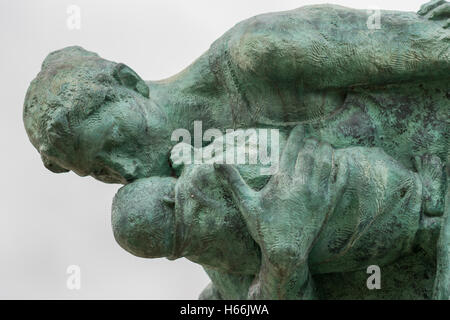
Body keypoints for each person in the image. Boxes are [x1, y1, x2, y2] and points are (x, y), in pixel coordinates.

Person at [111, 126, 443, 299]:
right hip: (398, 216)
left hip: (399, 196)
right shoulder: (223, 271)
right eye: (182, 242)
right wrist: (282, 260)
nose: (199, 228)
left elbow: (276, 145)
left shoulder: (213, 166)